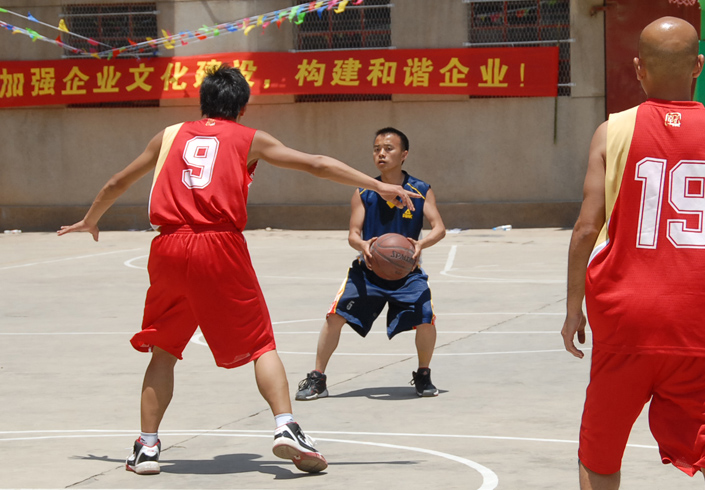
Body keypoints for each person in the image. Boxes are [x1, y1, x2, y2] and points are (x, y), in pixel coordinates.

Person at [57, 65, 420, 476]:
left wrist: (91, 219)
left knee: (164, 349)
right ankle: (286, 426)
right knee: (261, 344)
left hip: (168, 246)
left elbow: (117, 182)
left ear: (203, 102)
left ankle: (147, 447)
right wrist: (380, 185)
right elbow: (316, 164)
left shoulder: (169, 135)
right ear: (242, 107)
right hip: (218, 244)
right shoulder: (249, 138)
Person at [560, 17, 705, 490]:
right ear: (699, 65)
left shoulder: (611, 131)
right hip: (702, 319)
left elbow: (585, 228)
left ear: (639, 68)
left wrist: (573, 309)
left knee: (600, 453)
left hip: (624, 317)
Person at [295, 127, 446, 400]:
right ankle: (317, 378)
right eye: (377, 149)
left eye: (388, 148)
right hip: (368, 271)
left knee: (426, 318)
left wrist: (421, 244)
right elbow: (353, 234)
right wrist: (363, 245)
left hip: (406, 272)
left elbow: (439, 228)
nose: (381, 154)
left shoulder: (420, 190)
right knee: (334, 317)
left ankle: (423, 374)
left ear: (404, 154)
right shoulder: (364, 192)